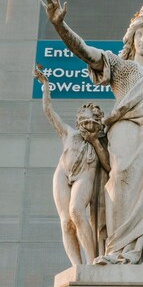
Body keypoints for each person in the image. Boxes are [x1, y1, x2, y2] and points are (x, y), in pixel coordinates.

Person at [41, 0, 143, 265]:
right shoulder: (120, 67)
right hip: (125, 140)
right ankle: (120, 250)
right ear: (131, 40)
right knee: (117, 182)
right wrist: (61, 27)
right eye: (139, 34)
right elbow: (85, 51)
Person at [34, 64, 109, 266]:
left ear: (98, 124)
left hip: (86, 174)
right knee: (66, 221)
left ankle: (92, 261)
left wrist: (94, 140)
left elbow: (109, 167)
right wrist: (45, 87)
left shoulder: (100, 142)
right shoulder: (69, 133)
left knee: (77, 211)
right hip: (63, 173)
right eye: (84, 121)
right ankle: (77, 267)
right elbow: (49, 111)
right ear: (78, 122)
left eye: (92, 122)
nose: (87, 125)